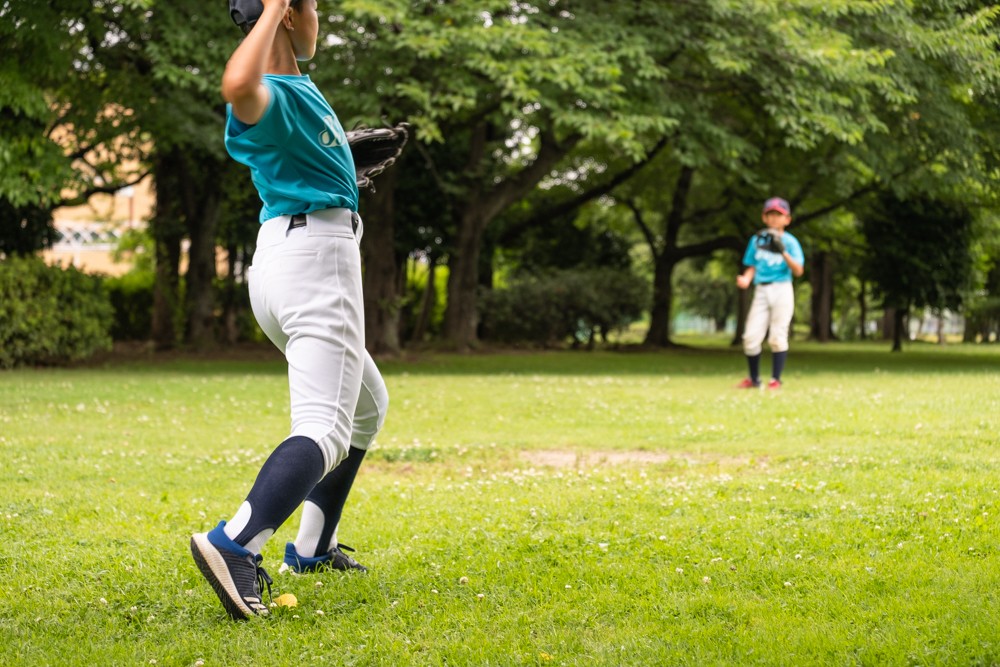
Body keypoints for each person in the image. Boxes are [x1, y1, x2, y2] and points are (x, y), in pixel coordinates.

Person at [190, 0, 389, 621]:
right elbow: (237, 86)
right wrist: (273, 6)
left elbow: (300, 48)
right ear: (278, 17)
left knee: (366, 407)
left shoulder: (299, 89)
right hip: (315, 263)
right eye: (305, 6)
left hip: (291, 257)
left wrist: (340, 166)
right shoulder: (269, 95)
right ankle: (235, 543)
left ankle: (313, 547)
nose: (313, 13)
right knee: (325, 428)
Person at [735, 197, 805, 390]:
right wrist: (746, 279)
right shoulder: (757, 240)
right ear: (764, 218)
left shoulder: (790, 242)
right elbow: (752, 265)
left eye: (778, 215)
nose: (774, 219)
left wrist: (783, 252)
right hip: (761, 289)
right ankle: (754, 379)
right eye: (770, 214)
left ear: (787, 219)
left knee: (777, 335)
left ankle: (775, 380)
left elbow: (798, 271)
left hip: (782, 288)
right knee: (750, 336)